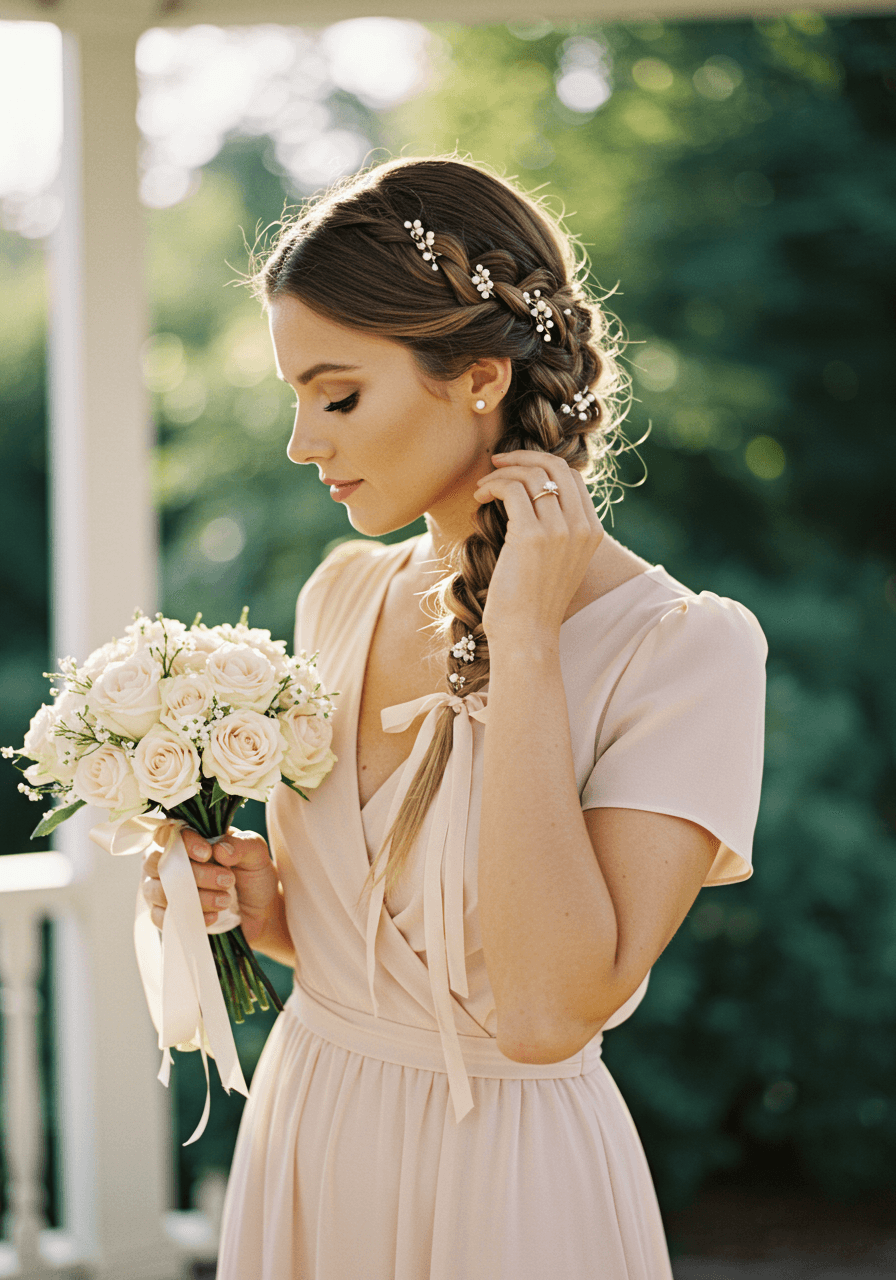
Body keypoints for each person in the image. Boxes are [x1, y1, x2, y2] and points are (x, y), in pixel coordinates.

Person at [142, 156, 767, 1279]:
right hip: (310, 1129)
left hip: (509, 1190)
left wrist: (523, 640)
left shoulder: (683, 652)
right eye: (294, 397)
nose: (303, 442)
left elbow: (538, 1013)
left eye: (336, 395)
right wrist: (256, 899)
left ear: (478, 375)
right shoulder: (339, 592)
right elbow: (354, 955)